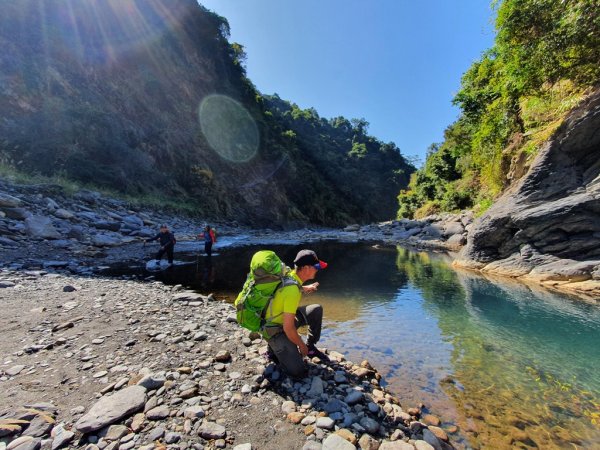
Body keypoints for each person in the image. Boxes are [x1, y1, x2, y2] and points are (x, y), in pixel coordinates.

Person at [264, 249, 329, 379]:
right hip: (274, 329)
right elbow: (288, 327)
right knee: (298, 371)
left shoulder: (291, 275)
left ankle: (310, 347)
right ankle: (273, 349)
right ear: (305, 268)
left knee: (316, 309)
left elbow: (289, 287)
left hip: (279, 319)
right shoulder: (292, 291)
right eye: (316, 266)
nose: (318, 269)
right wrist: (301, 345)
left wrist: (306, 288)